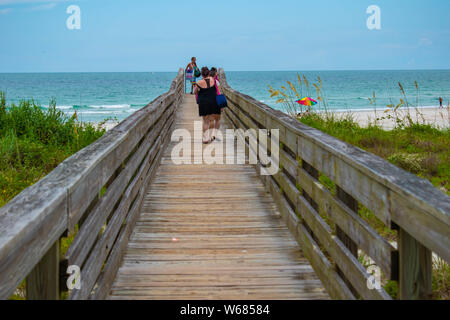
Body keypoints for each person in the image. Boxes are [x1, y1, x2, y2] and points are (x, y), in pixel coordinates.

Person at [195, 67, 221, 144]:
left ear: (202, 74)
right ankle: (210, 136)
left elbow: (195, 91)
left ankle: (205, 138)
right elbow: (217, 90)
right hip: (213, 102)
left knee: (205, 121)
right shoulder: (213, 80)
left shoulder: (199, 82)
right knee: (212, 120)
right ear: (209, 73)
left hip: (204, 103)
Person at [209, 67, 221, 139]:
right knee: (217, 119)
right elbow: (219, 93)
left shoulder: (206, 81)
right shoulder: (217, 82)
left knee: (211, 120)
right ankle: (215, 134)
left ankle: (210, 135)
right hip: (216, 101)